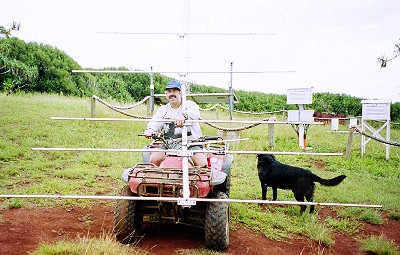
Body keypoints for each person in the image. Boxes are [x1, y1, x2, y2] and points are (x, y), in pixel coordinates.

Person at [143, 80, 208, 167]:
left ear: (180, 93)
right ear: (166, 94)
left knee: (202, 163)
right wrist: (150, 130)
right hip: (169, 145)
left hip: (191, 144)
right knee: (153, 160)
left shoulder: (189, 105)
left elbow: (194, 113)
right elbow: (155, 121)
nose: (171, 94)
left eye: (174, 91)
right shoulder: (163, 109)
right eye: (169, 92)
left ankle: (197, 179)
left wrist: (184, 116)